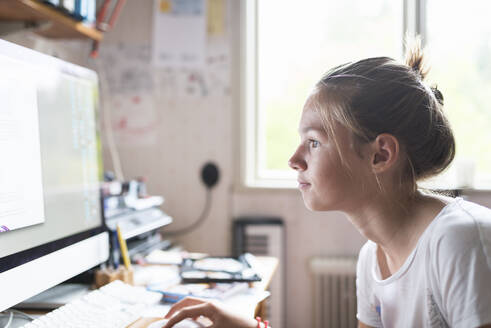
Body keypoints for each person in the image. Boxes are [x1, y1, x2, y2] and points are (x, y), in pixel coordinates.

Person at [162, 44, 491, 328]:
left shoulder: (459, 241)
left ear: (381, 154)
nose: (294, 159)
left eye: (314, 142)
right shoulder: (372, 258)